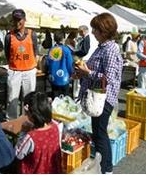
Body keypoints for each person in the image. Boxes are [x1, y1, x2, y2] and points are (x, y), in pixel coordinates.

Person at [76, 13, 123, 174]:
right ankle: (102, 166)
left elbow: (108, 77)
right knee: (98, 132)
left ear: (103, 30)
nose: (93, 32)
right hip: (98, 96)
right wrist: (82, 71)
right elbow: (97, 70)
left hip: (103, 98)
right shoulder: (103, 47)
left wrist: (87, 71)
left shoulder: (110, 49)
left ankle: (106, 169)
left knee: (100, 134)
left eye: (95, 29)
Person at [15, 91, 62, 174]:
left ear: (31, 115)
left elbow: (18, 154)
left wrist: (23, 132)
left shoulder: (30, 137)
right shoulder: (56, 127)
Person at [4, 9, 38, 119]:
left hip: (29, 70)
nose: (17, 23)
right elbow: (7, 54)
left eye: (19, 20)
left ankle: (28, 119)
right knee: (12, 99)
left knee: (29, 98)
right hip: (14, 71)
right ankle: (12, 122)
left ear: (24, 20)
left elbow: (35, 51)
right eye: (15, 20)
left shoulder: (32, 34)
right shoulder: (9, 36)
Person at [46, 31, 74, 98]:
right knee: (65, 100)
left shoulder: (51, 50)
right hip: (64, 78)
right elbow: (70, 65)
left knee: (55, 99)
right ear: (63, 39)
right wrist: (71, 74)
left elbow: (48, 63)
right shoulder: (66, 50)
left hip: (54, 78)